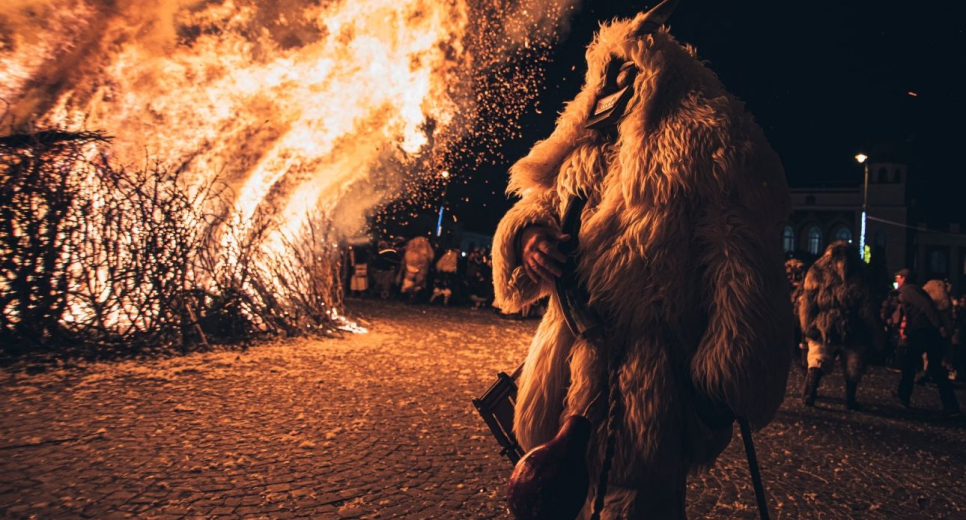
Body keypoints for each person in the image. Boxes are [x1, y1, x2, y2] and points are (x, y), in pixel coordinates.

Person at [491, 2, 792, 517]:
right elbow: (539, 206)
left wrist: (722, 382)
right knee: (554, 493)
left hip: (648, 371)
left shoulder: (706, 146)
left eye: (624, 73)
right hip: (567, 352)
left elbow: (740, 267)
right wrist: (528, 239)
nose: (610, 87)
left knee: (633, 500)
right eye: (605, 75)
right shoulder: (587, 150)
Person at [798, 241, 881, 410]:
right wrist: (875, 331)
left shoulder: (817, 269)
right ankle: (850, 400)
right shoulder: (860, 271)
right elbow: (868, 308)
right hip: (853, 326)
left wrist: (807, 325)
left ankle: (809, 393)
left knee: (817, 358)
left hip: (823, 324)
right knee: (853, 362)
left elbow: (808, 302)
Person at [894, 269, 960, 417]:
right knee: (936, 369)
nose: (896, 280)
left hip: (922, 332)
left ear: (904, 278)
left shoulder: (909, 290)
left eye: (898, 277)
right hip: (927, 331)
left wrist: (938, 325)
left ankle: (903, 396)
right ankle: (951, 405)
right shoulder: (912, 290)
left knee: (909, 363)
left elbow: (926, 306)